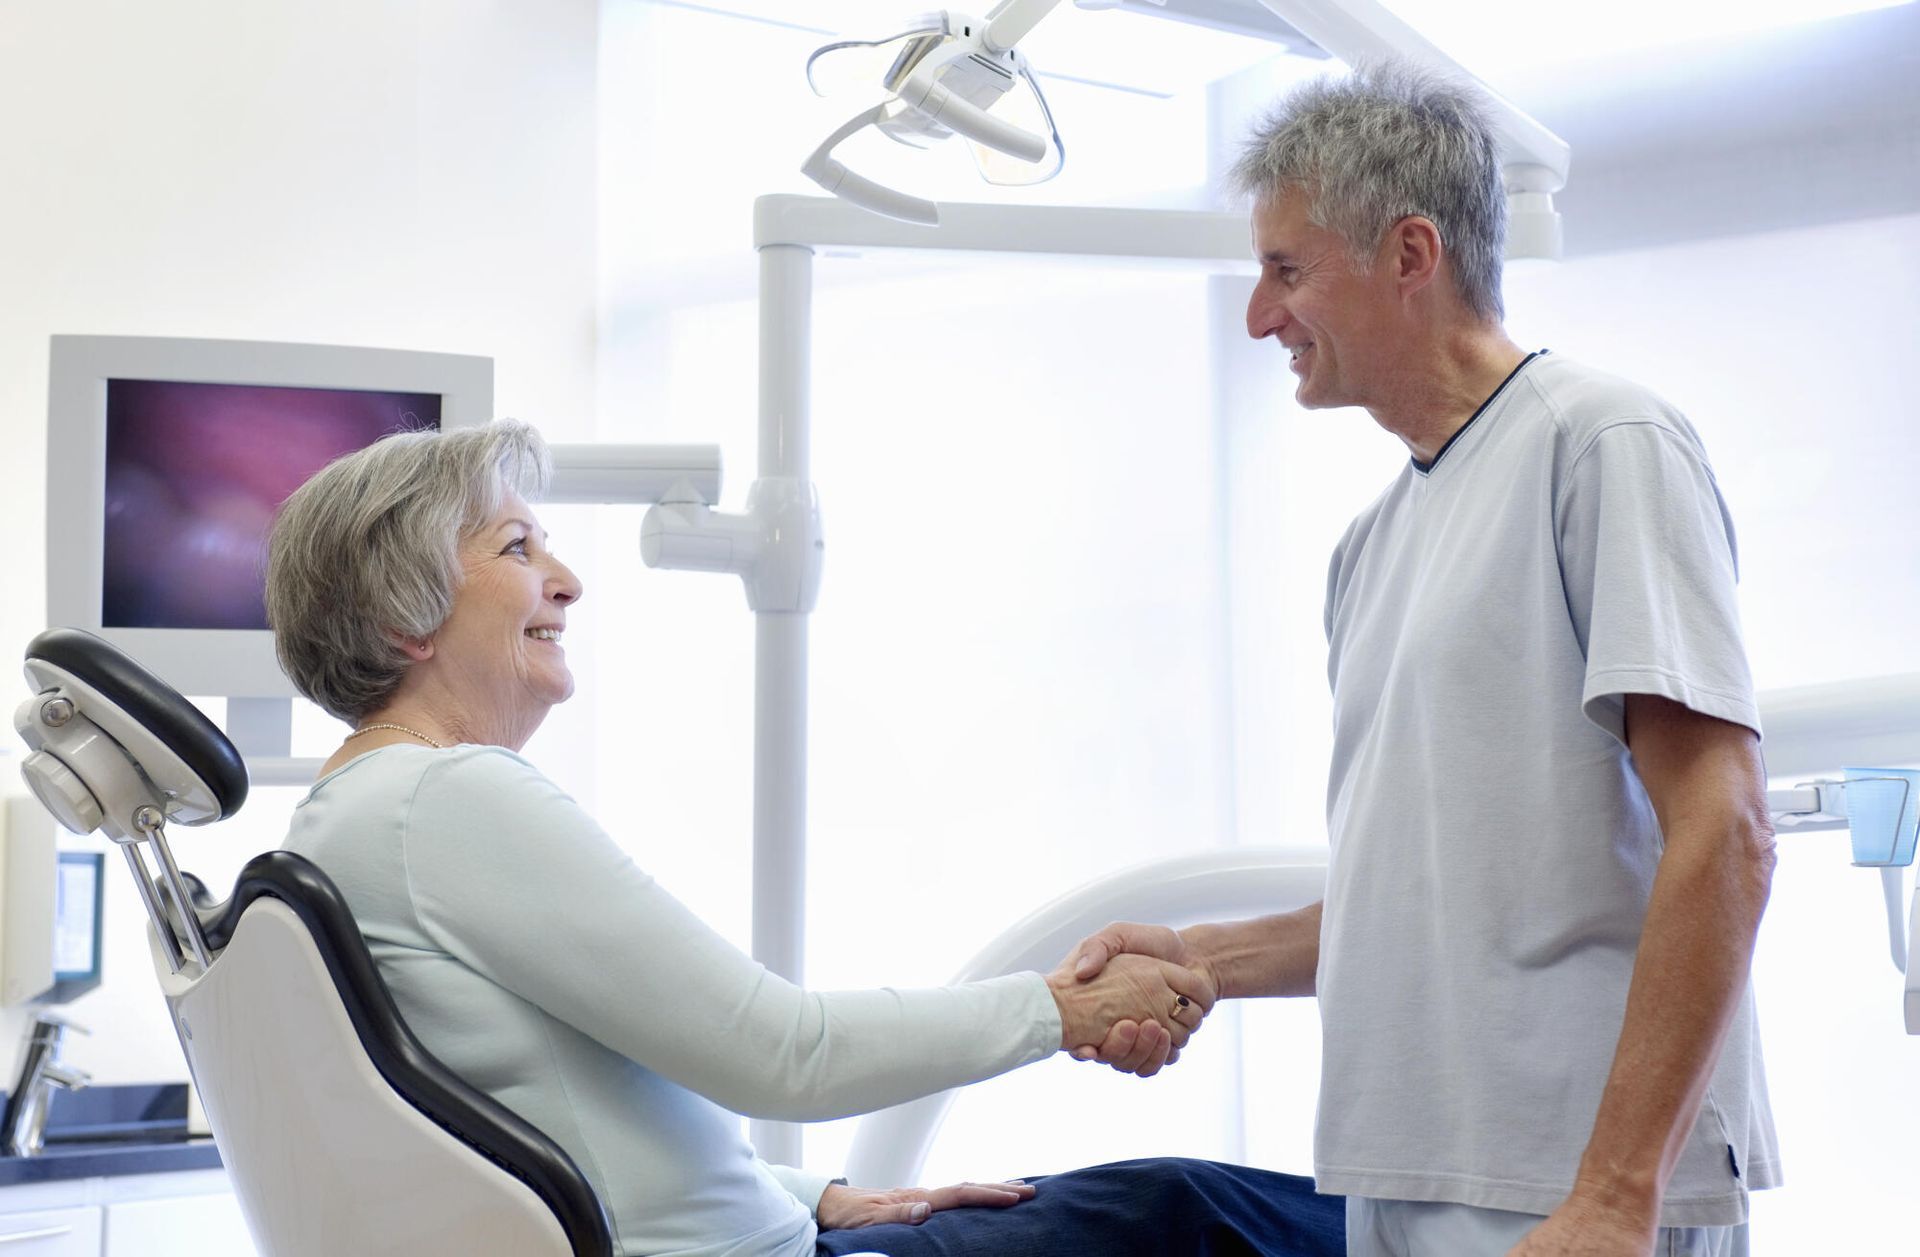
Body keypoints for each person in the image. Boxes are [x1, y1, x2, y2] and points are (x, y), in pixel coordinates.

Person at [264, 419, 1346, 1257]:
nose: (567, 579)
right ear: (408, 619)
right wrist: (1066, 1010)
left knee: (1162, 1201)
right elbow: (781, 1052)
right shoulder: (445, 804)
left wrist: (815, 1196)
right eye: (516, 546)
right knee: (1195, 1215)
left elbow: (534, 1109)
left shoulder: (353, 818)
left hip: (781, 1231)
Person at [1069, 62, 1779, 1257]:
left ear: (1410, 256)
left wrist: (1614, 1196)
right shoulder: (1370, 548)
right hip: (1397, 1173)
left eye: (1287, 271)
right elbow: (1431, 906)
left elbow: (1727, 830)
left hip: (1564, 1186)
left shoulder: (1600, 444)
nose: (1258, 315)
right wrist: (1201, 960)